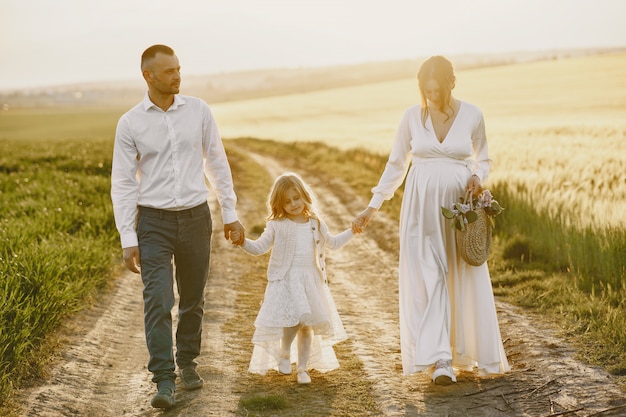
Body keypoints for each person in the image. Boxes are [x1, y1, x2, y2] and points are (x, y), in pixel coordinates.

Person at [352, 55, 509, 385]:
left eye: (436, 91)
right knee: (430, 276)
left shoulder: (472, 115)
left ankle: (462, 351)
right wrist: (373, 206)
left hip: (457, 210)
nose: (431, 97)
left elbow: (485, 157)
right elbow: (396, 166)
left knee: (458, 273)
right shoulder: (412, 117)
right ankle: (440, 359)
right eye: (426, 91)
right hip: (420, 208)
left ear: (451, 83)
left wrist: (478, 177)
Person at [110, 44, 245, 409]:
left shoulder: (198, 111)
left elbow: (217, 161)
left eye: (179, 69)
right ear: (148, 76)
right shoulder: (131, 123)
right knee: (157, 299)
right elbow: (122, 182)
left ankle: (187, 361)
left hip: (196, 215)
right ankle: (164, 379)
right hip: (152, 221)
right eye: (169, 71)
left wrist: (229, 212)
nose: (177, 76)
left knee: (193, 298)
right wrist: (128, 237)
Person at [231, 172, 355, 384]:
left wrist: (353, 230)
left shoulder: (315, 222)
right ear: (279, 204)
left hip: (309, 278)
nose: (293, 204)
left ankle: (303, 369)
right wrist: (242, 242)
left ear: (304, 195)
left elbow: (332, 243)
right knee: (294, 319)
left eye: (296, 198)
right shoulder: (277, 225)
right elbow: (260, 247)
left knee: (307, 324)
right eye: (287, 202)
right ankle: (285, 352)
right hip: (287, 279)